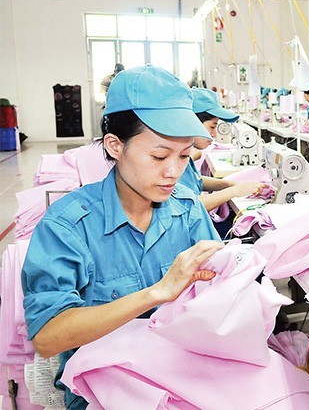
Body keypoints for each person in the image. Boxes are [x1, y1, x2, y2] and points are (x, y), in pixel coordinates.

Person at [22, 66, 224, 409]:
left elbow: (216, 294)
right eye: (159, 156)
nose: (173, 171)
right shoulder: (69, 227)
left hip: (182, 376)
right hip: (105, 390)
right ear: (116, 146)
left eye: (184, 156)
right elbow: (48, 337)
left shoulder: (187, 210)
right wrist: (156, 293)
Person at [178, 88, 270, 212]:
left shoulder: (184, 154)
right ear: (193, 122)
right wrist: (234, 191)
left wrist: (230, 184)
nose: (215, 134)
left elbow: (196, 181)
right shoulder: (174, 159)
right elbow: (187, 207)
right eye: (212, 127)